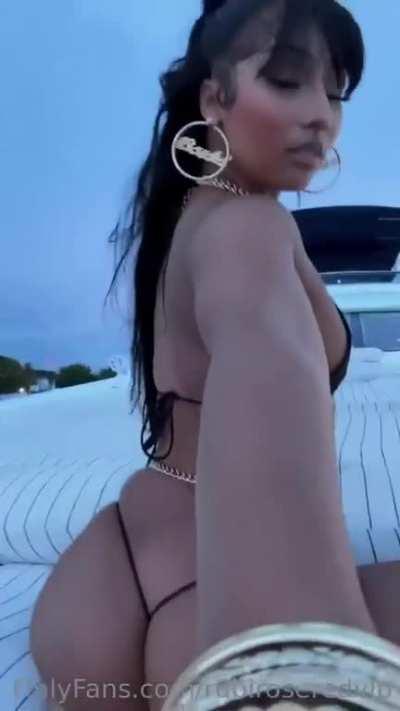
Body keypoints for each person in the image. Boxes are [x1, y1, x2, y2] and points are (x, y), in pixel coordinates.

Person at [30, 0, 400, 709]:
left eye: (335, 93)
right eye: (287, 81)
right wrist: (303, 673)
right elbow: (265, 364)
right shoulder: (249, 228)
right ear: (213, 100)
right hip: (212, 593)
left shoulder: (188, 223)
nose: (320, 116)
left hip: (106, 574)